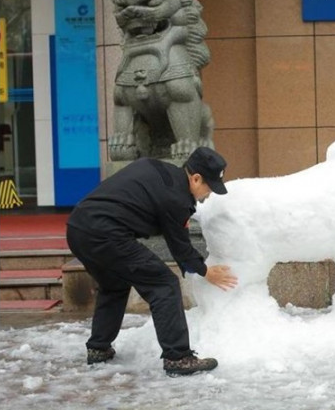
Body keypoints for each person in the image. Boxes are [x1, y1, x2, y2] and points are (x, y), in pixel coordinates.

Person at [66, 146, 238, 376]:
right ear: (196, 178)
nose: (207, 194)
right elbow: (180, 246)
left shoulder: (158, 169)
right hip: (106, 234)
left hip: (78, 228)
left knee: (114, 284)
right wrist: (206, 271)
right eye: (209, 187)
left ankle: (99, 348)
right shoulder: (175, 197)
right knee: (164, 284)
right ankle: (178, 358)